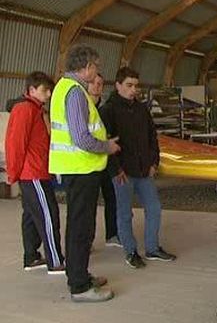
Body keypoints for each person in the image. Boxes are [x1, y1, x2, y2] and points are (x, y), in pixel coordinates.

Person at [49, 44, 120, 303]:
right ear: (86, 66)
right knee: (81, 228)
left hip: (78, 168)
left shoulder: (64, 88)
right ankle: (79, 286)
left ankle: (79, 274)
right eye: (96, 66)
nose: (98, 71)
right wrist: (107, 146)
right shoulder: (76, 93)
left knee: (81, 225)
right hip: (81, 168)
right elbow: (81, 137)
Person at [100, 66, 176, 269]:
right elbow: (105, 143)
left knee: (154, 208)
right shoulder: (108, 111)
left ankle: (152, 248)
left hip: (144, 170)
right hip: (122, 173)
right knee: (124, 214)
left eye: (136, 86)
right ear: (118, 85)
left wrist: (154, 162)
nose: (133, 90)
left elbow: (153, 137)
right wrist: (117, 170)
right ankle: (130, 251)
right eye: (129, 85)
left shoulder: (142, 109)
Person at [5, 71, 65, 274]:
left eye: (49, 90)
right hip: (33, 174)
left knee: (31, 215)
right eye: (44, 90)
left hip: (35, 172)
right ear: (31, 90)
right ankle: (55, 261)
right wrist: (13, 174)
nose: (48, 94)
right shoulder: (25, 110)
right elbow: (15, 144)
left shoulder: (35, 109)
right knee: (49, 214)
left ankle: (31, 257)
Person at [87, 73, 120, 248]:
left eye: (100, 83)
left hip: (106, 160)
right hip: (89, 162)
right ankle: (88, 240)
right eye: (93, 82)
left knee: (112, 197)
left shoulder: (107, 109)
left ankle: (112, 234)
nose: (97, 86)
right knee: (89, 204)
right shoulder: (83, 107)